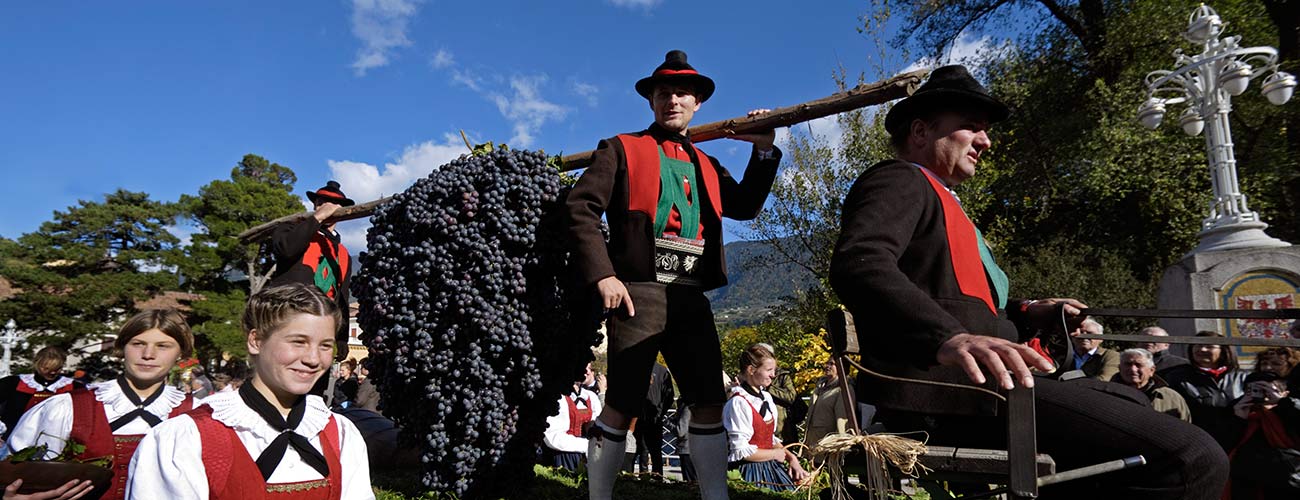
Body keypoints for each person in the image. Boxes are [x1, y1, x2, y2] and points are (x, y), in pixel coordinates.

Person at [828, 65, 1228, 498]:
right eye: (972, 128)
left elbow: (967, 303)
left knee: (1132, 402)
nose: (986, 141)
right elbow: (860, 264)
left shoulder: (944, 200)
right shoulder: (900, 178)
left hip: (984, 388)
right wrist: (948, 338)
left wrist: (1026, 311)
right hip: (952, 395)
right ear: (921, 131)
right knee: (1194, 458)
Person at [565, 49, 781, 500]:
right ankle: (598, 497)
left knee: (708, 401)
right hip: (636, 293)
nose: (673, 100)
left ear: (697, 102)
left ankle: (714, 496)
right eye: (664, 92)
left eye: (683, 93)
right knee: (622, 402)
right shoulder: (620, 148)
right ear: (652, 100)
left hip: (691, 297)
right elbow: (580, 208)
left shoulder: (706, 163)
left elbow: (743, 206)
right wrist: (603, 274)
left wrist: (763, 149)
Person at [127, 284, 373, 500]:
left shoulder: (339, 433)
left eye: (325, 346)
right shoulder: (187, 438)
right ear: (256, 341)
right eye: (298, 341)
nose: (313, 359)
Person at [2, 309, 197, 500]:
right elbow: (17, 475)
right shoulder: (66, 407)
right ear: (122, 348)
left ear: (180, 353)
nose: (148, 354)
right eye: (138, 343)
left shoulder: (197, 414)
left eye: (163, 346)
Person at [270, 180, 355, 361]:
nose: (325, 206)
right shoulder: (290, 229)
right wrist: (316, 219)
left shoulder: (344, 254)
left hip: (322, 331)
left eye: (332, 203)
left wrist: (341, 337)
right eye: (320, 201)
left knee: (316, 386)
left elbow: (343, 298)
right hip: (288, 321)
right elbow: (286, 249)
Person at [723, 345, 809, 491]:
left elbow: (769, 439)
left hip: (770, 466)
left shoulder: (766, 397)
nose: (773, 375)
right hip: (749, 472)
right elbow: (740, 450)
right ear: (751, 370)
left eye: (774, 370)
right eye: (769, 370)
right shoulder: (738, 403)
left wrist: (791, 458)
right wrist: (775, 454)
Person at [1223, 371, 1300, 498]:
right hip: (1249, 486)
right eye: (1253, 390)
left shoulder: (1290, 411)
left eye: (1266, 389)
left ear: (1285, 393)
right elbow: (1225, 447)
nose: (1261, 395)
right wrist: (1238, 419)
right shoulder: (1235, 413)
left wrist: (1283, 403)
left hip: (1289, 484)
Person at [1164, 331, 1249, 446]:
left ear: (1223, 351)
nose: (1202, 350)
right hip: (1199, 440)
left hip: (1241, 440)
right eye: (1198, 345)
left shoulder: (1244, 377)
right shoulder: (1176, 377)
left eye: (1209, 346)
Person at [0, 346, 81, 439]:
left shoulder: (74, 387)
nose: (52, 373)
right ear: (37, 364)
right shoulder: (13, 383)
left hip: (55, 441)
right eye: (47, 369)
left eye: (57, 369)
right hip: (11, 439)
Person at [542, 363, 603, 472]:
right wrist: (586, 444)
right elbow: (553, 437)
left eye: (588, 368)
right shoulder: (558, 397)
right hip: (564, 457)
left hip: (588, 456)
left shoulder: (590, 396)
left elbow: (597, 424)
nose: (586, 371)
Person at [1112, 348, 1191, 422]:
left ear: (1151, 370)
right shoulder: (1108, 393)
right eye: (1128, 364)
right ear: (1119, 368)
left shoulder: (1171, 398)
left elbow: (1185, 427)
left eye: (1138, 365)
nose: (1133, 369)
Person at [632, 362, 674, 475]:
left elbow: (669, 395)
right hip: (639, 419)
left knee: (655, 452)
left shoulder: (662, 371)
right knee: (642, 451)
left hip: (655, 419)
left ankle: (657, 479)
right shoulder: (636, 368)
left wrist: (660, 412)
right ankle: (644, 479)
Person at [803, 359, 854, 450]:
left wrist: (838, 446)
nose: (827, 366)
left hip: (827, 445)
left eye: (832, 364)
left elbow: (842, 421)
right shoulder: (820, 387)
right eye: (827, 363)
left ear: (842, 367)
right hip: (812, 443)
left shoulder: (843, 389)